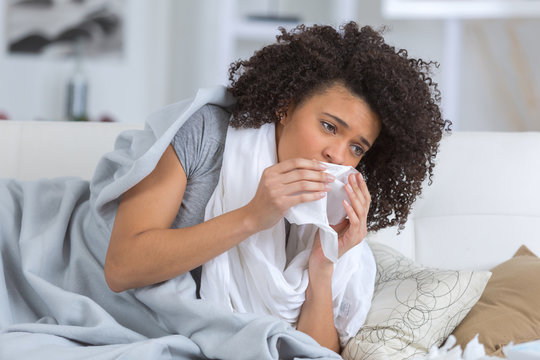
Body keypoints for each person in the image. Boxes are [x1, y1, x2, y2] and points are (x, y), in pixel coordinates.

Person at [104, 21, 451, 354]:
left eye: (357, 148)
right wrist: (253, 216)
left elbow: (315, 353)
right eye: (329, 126)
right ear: (286, 107)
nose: (338, 155)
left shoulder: (331, 207)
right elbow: (121, 268)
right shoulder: (206, 134)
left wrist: (323, 265)